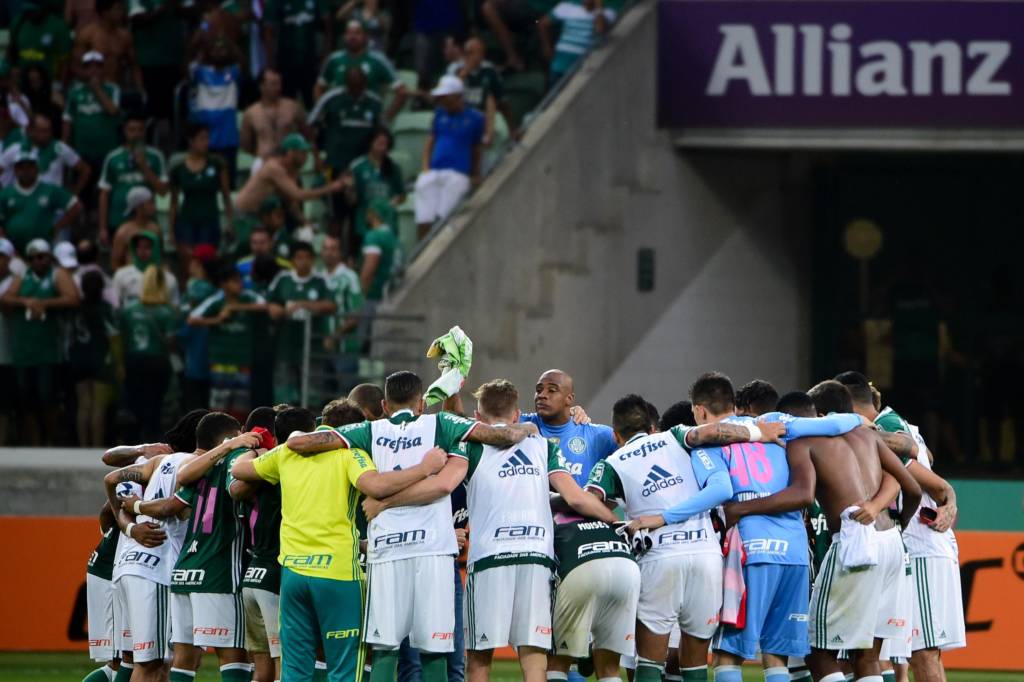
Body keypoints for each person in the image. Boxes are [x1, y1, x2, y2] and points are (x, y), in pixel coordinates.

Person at [285, 371, 540, 682]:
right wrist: (527, 426)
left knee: (385, 649)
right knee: (434, 649)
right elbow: (503, 437)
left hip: (387, 550)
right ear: (421, 404)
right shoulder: (442, 425)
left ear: (385, 404)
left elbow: (301, 444)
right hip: (433, 550)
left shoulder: (368, 430)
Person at [365, 379, 621, 682]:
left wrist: (385, 503)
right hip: (536, 560)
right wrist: (616, 524)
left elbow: (442, 485)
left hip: (490, 560)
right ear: (516, 416)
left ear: (477, 417)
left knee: (479, 661)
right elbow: (576, 498)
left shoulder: (470, 446)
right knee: (535, 659)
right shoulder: (542, 445)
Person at [230, 406, 449, 682]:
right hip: (338, 575)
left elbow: (239, 469)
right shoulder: (350, 453)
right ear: (351, 432)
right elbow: (378, 487)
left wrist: (246, 444)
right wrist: (424, 468)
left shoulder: (287, 452)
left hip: (294, 575)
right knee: (344, 671)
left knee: (294, 671)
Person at [585, 392, 784, 682]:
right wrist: (757, 431)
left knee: (649, 663)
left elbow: (588, 502)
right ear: (653, 427)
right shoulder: (674, 436)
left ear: (616, 435)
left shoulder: (611, 463)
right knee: (695, 665)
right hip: (705, 555)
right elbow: (714, 431)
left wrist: (622, 523)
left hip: (658, 556)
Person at [768, 381, 922, 682]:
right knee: (866, 654)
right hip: (892, 542)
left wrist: (743, 509)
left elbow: (802, 495)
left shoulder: (807, 442)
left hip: (855, 541)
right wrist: (898, 522)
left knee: (816, 648)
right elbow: (913, 488)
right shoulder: (869, 436)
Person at [834, 372, 965, 681]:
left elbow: (921, 470)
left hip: (922, 545)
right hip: (911, 548)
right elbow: (926, 456)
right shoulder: (894, 424)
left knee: (922, 651)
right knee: (897, 652)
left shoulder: (888, 428)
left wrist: (947, 497)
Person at [164, 414, 263, 682]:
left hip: (186, 569)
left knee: (184, 658)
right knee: (234, 655)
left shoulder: (202, 465)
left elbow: (182, 482)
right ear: (235, 436)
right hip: (218, 569)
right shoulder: (239, 456)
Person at [1, 239, 80, 445]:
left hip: (48, 350)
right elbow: (6, 299)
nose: (38, 261)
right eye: (34, 257)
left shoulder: (57, 274)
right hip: (23, 350)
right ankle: (34, 441)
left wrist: (44, 303)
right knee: (27, 399)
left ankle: (51, 439)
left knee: (48, 398)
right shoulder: (22, 277)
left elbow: (72, 297)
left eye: (42, 256)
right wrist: (26, 301)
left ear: (49, 257)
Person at [228, 407, 284, 682]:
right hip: (275, 572)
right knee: (281, 664)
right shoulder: (285, 467)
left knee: (260, 670)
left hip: (251, 575)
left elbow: (235, 489)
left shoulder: (251, 471)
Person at [189, 264, 269, 422]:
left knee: (241, 408)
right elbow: (192, 319)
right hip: (220, 362)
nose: (239, 284)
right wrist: (218, 319)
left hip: (243, 362)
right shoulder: (216, 301)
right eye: (234, 281)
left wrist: (235, 307)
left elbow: (264, 306)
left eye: (239, 280)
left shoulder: (248, 297)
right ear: (224, 284)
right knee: (218, 410)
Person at [267, 241, 337, 404]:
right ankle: (282, 424)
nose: (303, 261)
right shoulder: (283, 279)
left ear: (313, 260)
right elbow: (269, 303)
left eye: (307, 257)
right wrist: (276, 309)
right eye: (299, 257)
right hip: (285, 344)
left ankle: (311, 422)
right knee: (284, 390)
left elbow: (331, 305)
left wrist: (303, 304)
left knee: (313, 389)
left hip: (313, 345)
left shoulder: (320, 281)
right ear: (292, 260)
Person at [521, 369, 617, 486]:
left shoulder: (598, 435)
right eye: (538, 390)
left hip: (576, 504)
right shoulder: (520, 424)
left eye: (551, 390)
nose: (542, 395)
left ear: (569, 399)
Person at [415, 75, 483, 239]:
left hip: (458, 172)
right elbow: (430, 141)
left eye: (446, 97)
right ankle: (421, 252)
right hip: (434, 170)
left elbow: (476, 149)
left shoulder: (475, 118)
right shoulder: (439, 114)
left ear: (457, 96)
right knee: (424, 218)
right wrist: (425, 168)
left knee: (443, 218)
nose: (442, 101)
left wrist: (474, 174)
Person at [234, 133, 347, 224]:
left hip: (260, 216)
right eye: (302, 152)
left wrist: (304, 222)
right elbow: (298, 195)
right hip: (246, 215)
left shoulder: (289, 171)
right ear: (290, 152)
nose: (306, 156)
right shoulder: (274, 167)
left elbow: (290, 201)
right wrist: (331, 187)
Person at [118, 265, 177, 441]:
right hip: (157, 361)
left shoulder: (130, 310)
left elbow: (123, 338)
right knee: (155, 405)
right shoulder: (167, 312)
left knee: (134, 404)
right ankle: (152, 443)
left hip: (133, 361)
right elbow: (170, 343)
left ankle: (131, 442)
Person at [309, 65, 381, 200]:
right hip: (334, 163)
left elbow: (382, 133)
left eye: (359, 87)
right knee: (333, 203)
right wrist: (316, 156)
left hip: (363, 164)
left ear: (365, 84)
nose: (356, 91)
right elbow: (309, 127)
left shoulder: (374, 102)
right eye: (352, 87)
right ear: (346, 84)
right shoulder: (330, 99)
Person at [169, 122, 232, 271]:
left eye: (207, 138)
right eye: (202, 139)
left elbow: (226, 196)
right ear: (191, 141)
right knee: (187, 262)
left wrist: (230, 222)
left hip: (209, 220)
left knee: (207, 262)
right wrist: (171, 230)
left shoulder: (217, 164)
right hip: (187, 220)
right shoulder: (178, 168)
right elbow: (174, 202)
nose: (206, 143)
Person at [98, 113, 168, 246]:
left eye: (140, 130)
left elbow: (163, 191)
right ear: (124, 131)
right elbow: (104, 194)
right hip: (118, 219)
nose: (136, 134)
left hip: (147, 221)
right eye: (132, 130)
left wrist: (144, 166)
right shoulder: (113, 157)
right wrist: (102, 228)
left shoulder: (156, 156)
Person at [68, 269, 118, 447]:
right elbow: (113, 335)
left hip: (78, 358)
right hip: (99, 359)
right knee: (98, 407)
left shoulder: (76, 308)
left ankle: (83, 444)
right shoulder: (104, 308)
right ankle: (96, 446)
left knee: (83, 405)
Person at [63, 51, 122, 199]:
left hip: (106, 149)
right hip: (82, 148)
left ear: (104, 69)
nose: (94, 70)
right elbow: (68, 119)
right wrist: (65, 145)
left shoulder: (112, 89)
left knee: (104, 186)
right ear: (83, 69)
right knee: (84, 187)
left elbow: (113, 110)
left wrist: (96, 89)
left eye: (98, 66)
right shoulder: (74, 91)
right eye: (89, 67)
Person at [316, 20, 406, 118]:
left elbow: (401, 91)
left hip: (368, 115)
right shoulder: (334, 59)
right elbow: (318, 88)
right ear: (344, 36)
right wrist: (324, 112)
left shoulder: (378, 60)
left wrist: (385, 118)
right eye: (349, 33)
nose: (352, 37)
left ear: (366, 36)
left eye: (357, 33)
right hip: (338, 116)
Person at [0, 148, 82, 252]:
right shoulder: (6, 193)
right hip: (14, 250)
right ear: (15, 170)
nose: (26, 171)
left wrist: (58, 227)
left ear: (36, 169)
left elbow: (76, 206)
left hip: (43, 250)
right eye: (21, 168)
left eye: (29, 167)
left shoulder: (50, 190)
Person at [188, 35, 243, 183]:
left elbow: (241, 59)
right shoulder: (199, 71)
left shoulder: (233, 72)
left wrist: (227, 39)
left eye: (222, 50)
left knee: (229, 183)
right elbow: (189, 63)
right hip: (205, 141)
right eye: (215, 50)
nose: (219, 52)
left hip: (228, 138)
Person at [128, 0, 188, 128]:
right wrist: (164, 7)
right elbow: (137, 20)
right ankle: (149, 143)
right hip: (149, 63)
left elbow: (193, 13)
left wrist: (176, 6)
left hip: (175, 62)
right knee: (152, 112)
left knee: (176, 112)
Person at [1, 112, 92, 194]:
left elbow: (85, 170)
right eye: (42, 131)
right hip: (23, 202)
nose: (46, 135)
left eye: (48, 130)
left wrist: (72, 194)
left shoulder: (60, 148)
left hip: (52, 204)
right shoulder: (16, 149)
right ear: (30, 131)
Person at [262, 0, 332, 106]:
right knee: (286, 103)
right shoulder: (275, 2)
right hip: (285, 60)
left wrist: (326, 54)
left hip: (311, 60)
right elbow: (268, 32)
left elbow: (328, 26)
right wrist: (270, 63)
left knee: (313, 101)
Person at [71, 0, 145, 92]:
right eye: (118, 9)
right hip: (92, 89)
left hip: (116, 88)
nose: (122, 13)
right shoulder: (87, 35)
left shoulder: (125, 36)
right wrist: (89, 76)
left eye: (122, 9)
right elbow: (75, 66)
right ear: (106, 13)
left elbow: (134, 66)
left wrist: (141, 90)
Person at [320, 233, 363, 390]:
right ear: (321, 252)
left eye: (333, 248)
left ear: (339, 252)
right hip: (322, 347)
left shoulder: (350, 277)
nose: (329, 252)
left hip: (346, 347)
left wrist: (334, 335)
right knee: (324, 397)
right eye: (326, 248)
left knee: (348, 398)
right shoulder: (319, 277)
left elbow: (356, 314)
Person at [240, 69, 310, 165]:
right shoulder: (251, 113)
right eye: (273, 84)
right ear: (262, 86)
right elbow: (246, 145)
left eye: (279, 84)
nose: (278, 88)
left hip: (289, 162)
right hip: (263, 162)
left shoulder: (293, 107)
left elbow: (307, 134)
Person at [347, 127, 405, 241]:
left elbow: (401, 194)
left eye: (385, 144)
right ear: (371, 143)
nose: (383, 148)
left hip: (388, 222)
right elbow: (352, 200)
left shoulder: (394, 167)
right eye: (379, 143)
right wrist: (350, 189)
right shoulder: (357, 167)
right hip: (365, 223)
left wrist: (392, 203)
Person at [446, 37, 504, 146]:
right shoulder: (455, 69)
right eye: (470, 53)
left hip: (485, 117)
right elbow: (449, 93)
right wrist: (466, 71)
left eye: (478, 53)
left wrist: (489, 127)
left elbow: (495, 98)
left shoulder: (489, 69)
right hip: (460, 118)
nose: (474, 57)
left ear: (482, 54)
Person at [539, 0, 615, 82]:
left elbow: (600, 29)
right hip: (560, 62)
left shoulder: (607, 12)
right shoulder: (567, 6)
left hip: (585, 64)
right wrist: (547, 47)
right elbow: (542, 23)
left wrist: (598, 9)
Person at [480, 0, 553, 72]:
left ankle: (514, 59)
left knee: (489, 7)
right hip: (527, 7)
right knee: (488, 6)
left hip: (538, 11)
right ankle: (513, 58)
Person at [112, 230, 179, 307]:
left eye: (147, 247)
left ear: (156, 249)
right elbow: (115, 305)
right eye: (139, 247)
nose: (142, 251)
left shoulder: (169, 278)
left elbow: (175, 308)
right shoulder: (121, 274)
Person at [10, 1, 73, 82]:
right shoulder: (18, 22)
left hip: (48, 81)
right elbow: (11, 51)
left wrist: (60, 84)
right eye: (28, 11)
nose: (30, 14)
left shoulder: (59, 27)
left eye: (34, 11)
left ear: (44, 8)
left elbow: (65, 62)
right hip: (22, 81)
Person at [359, 197, 398, 305]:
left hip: (374, 297)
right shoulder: (393, 237)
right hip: (391, 295)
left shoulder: (374, 236)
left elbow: (370, 268)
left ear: (373, 214)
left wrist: (360, 294)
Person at [110, 186, 159, 271]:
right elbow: (115, 263)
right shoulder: (123, 232)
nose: (154, 206)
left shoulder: (155, 229)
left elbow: (159, 258)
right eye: (151, 203)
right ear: (139, 207)